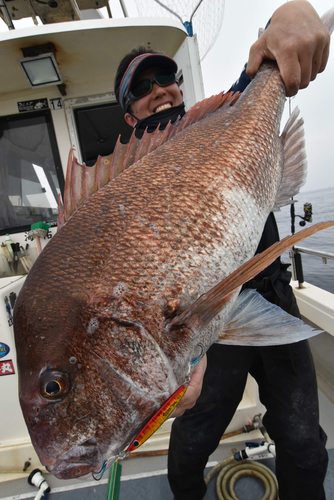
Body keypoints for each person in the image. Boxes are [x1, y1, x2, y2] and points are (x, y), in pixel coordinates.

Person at [114, 2, 330, 499]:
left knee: (304, 441)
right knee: (190, 445)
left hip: (272, 293)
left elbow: (258, 72)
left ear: (180, 86)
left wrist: (289, 15)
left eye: (164, 77)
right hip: (207, 326)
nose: (158, 91)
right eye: (141, 89)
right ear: (130, 115)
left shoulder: (222, 117)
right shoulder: (125, 181)